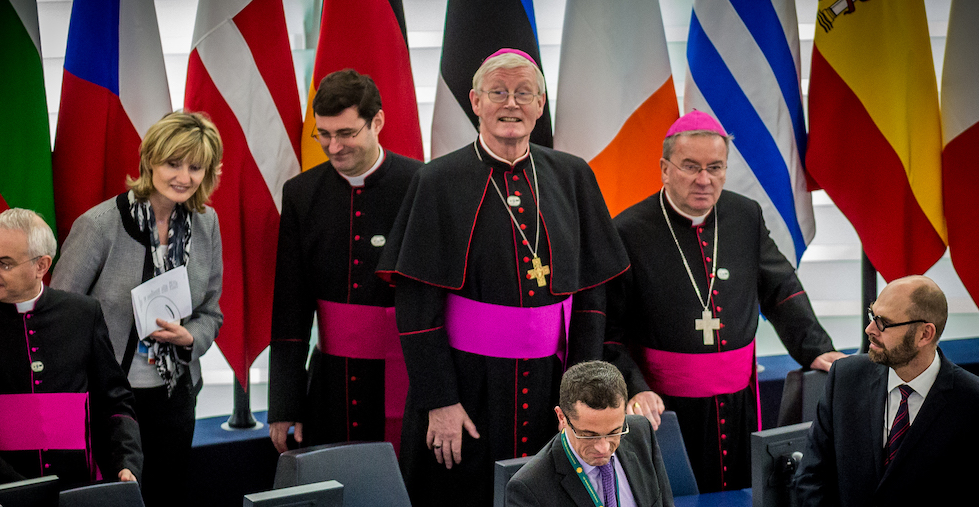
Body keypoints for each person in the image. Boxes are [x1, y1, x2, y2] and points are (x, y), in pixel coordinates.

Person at [376, 48, 630, 507]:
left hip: (552, 385)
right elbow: (416, 307)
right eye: (498, 92)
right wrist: (440, 401)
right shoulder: (438, 181)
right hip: (467, 388)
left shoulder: (572, 176)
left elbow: (591, 298)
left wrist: (583, 399)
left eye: (523, 93)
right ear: (475, 101)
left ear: (540, 105)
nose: (511, 104)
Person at [605, 109, 845, 492]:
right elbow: (609, 333)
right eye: (690, 167)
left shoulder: (745, 215)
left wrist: (817, 348)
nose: (704, 180)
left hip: (739, 403)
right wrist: (635, 388)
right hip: (665, 408)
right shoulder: (627, 230)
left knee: (744, 493)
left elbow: (781, 287)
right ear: (665, 169)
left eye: (715, 168)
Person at [52, 111, 223, 507]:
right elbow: (60, 316)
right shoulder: (99, 225)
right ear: (149, 161)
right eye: (173, 163)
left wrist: (190, 337)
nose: (184, 177)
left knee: (167, 496)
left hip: (175, 393)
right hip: (110, 401)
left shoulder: (206, 222)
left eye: (195, 167)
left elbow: (211, 312)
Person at [0, 208, 141, 487]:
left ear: (41, 265)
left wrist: (125, 461)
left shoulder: (83, 314)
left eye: (3, 264)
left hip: (77, 486)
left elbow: (113, 399)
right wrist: (19, 490)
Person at [268, 69, 421, 454]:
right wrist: (284, 405)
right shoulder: (301, 193)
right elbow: (290, 307)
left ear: (377, 121)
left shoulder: (420, 184)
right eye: (323, 134)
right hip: (329, 381)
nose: (333, 147)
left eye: (346, 133)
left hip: (405, 375)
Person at [794, 275, 979, 506]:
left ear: (924, 334)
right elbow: (811, 478)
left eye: (883, 323)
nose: (869, 329)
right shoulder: (844, 378)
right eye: (872, 315)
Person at [507, 361, 675, 507]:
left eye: (614, 432)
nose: (603, 448)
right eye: (589, 435)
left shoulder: (640, 431)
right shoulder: (529, 488)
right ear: (562, 418)